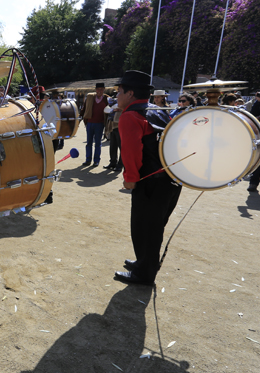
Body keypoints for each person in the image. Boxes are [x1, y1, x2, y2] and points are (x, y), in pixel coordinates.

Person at [113, 70, 182, 286]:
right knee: (154, 227)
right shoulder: (157, 110)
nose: (117, 97)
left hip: (150, 181)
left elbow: (131, 152)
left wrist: (130, 178)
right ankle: (144, 262)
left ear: (130, 93)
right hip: (170, 179)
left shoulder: (130, 116)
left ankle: (144, 274)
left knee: (144, 227)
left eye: (119, 92)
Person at [79, 82, 110, 166]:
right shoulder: (90, 97)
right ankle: (88, 160)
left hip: (100, 124)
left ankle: (96, 160)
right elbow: (84, 108)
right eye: (98, 89)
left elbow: (110, 110)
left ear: (104, 90)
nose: (99, 91)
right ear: (95, 90)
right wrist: (80, 117)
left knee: (98, 143)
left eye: (101, 89)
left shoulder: (107, 99)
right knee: (89, 142)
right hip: (89, 123)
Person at [104, 98, 123, 172]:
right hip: (113, 125)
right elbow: (108, 109)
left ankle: (120, 165)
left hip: (120, 125)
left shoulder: (124, 101)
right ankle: (113, 162)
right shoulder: (113, 100)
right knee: (112, 146)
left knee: (121, 146)